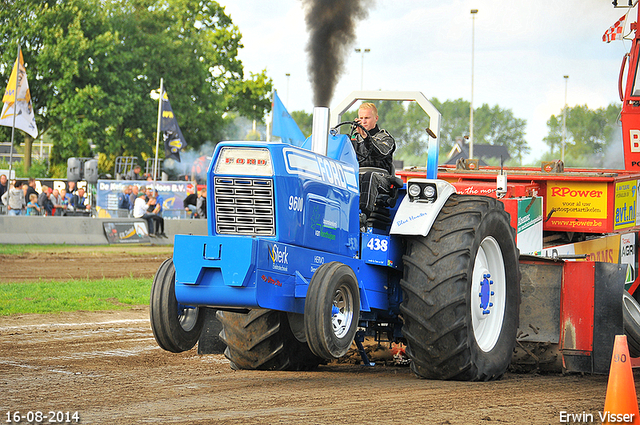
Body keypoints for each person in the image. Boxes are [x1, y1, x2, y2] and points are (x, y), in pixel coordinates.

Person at [350, 102, 396, 216]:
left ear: (376, 118)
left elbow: (380, 153)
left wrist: (366, 138)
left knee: (369, 176)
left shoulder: (385, 138)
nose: (363, 121)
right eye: (361, 118)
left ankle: (363, 216)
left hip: (381, 179)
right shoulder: (353, 139)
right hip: (357, 177)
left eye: (367, 118)